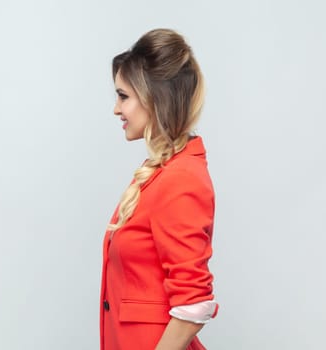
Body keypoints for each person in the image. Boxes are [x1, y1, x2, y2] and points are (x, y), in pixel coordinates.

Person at [100, 29, 218, 350]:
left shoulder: (181, 178)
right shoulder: (163, 172)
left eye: (123, 96)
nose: (116, 109)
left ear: (154, 97)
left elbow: (193, 306)